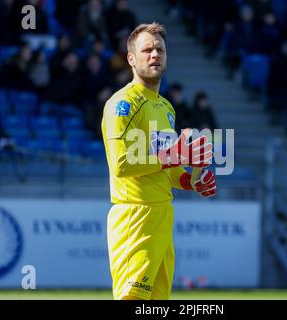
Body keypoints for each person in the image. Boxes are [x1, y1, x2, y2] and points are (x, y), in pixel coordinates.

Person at [101, 22, 216, 300]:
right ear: (131, 59)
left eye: (160, 50)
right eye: (147, 50)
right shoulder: (122, 104)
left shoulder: (165, 107)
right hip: (134, 217)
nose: (155, 55)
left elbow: (167, 168)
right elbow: (122, 164)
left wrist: (189, 180)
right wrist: (176, 155)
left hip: (162, 214)